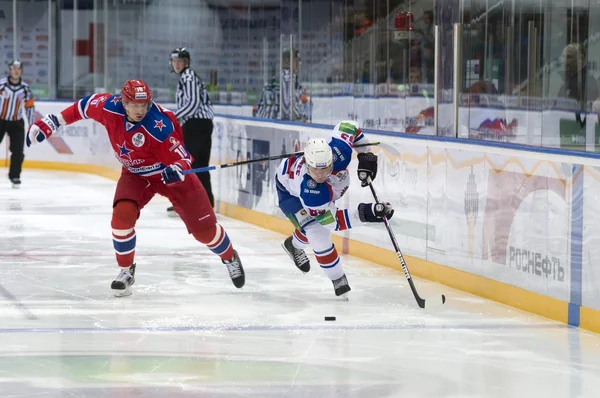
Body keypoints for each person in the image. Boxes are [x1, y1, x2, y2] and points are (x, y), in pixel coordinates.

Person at [26, 80, 245, 297]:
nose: (140, 110)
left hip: (170, 176)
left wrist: (176, 169)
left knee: (204, 232)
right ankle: (125, 271)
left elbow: (184, 160)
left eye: (144, 105)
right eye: (134, 105)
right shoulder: (108, 107)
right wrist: (52, 121)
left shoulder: (159, 126)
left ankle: (229, 256)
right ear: (123, 102)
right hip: (136, 174)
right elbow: (83, 107)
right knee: (121, 217)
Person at [275, 120, 393, 297]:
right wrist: (368, 213)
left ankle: (292, 244)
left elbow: (349, 126)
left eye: (326, 168)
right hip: (289, 193)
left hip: (319, 192)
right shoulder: (311, 191)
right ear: (307, 166)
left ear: (332, 160)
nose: (321, 175)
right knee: (317, 231)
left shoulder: (340, 151)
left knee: (310, 227)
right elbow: (333, 222)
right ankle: (338, 278)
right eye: (316, 171)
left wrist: (365, 155)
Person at [167, 47, 215, 217]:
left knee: (196, 164)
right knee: (193, 164)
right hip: (196, 124)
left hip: (198, 125)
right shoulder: (186, 77)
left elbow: (193, 104)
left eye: (180, 61)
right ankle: (199, 202)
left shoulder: (189, 77)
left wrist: (174, 117)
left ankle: (203, 204)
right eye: (175, 61)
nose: (177, 64)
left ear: (186, 62)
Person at [0, 60, 35, 187]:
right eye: (13, 68)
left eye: (18, 69)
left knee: (18, 151)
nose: (15, 71)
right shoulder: (1, 85)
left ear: (21, 71)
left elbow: (29, 107)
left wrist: (32, 125)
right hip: (1, 120)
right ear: (10, 70)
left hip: (17, 123)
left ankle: (15, 176)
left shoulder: (25, 89)